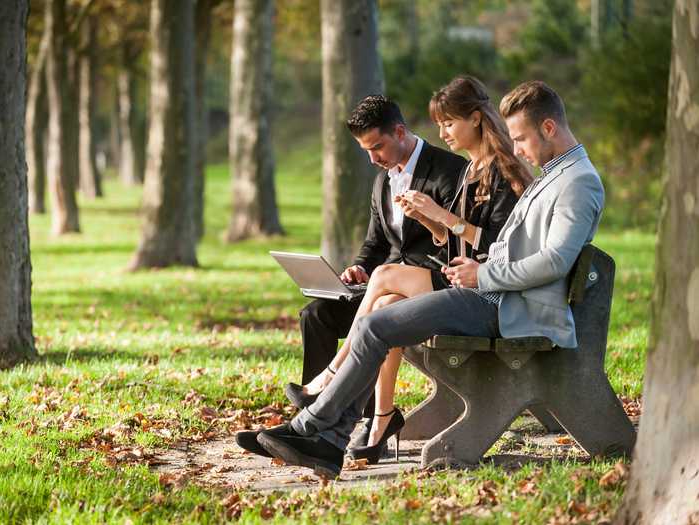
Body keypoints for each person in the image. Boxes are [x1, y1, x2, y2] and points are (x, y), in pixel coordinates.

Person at [241, 80, 605, 479]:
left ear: (548, 128)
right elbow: (513, 247)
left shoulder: (577, 182)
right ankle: (321, 437)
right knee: (376, 322)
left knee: (378, 324)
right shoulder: (555, 174)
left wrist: (481, 272)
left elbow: (553, 262)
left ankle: (315, 433)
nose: (516, 148)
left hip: (510, 307)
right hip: (494, 294)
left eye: (521, 138)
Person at [284, 75, 532, 464]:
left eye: (449, 123)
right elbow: (393, 243)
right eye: (441, 125)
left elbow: (498, 247)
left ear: (476, 119)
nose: (444, 132)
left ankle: (332, 379)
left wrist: (439, 217)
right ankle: (373, 420)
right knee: (358, 307)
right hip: (437, 282)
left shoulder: (473, 171)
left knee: (385, 280)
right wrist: (431, 226)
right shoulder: (463, 172)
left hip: (469, 288)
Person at [290, 96, 464, 425]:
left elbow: (457, 243)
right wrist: (360, 268)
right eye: (366, 151)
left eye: (377, 147)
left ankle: (338, 403)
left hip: (427, 287)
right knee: (316, 314)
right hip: (381, 284)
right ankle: (312, 415)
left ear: (399, 132)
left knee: (381, 310)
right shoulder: (382, 180)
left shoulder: (448, 170)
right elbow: (377, 243)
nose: (372, 159)